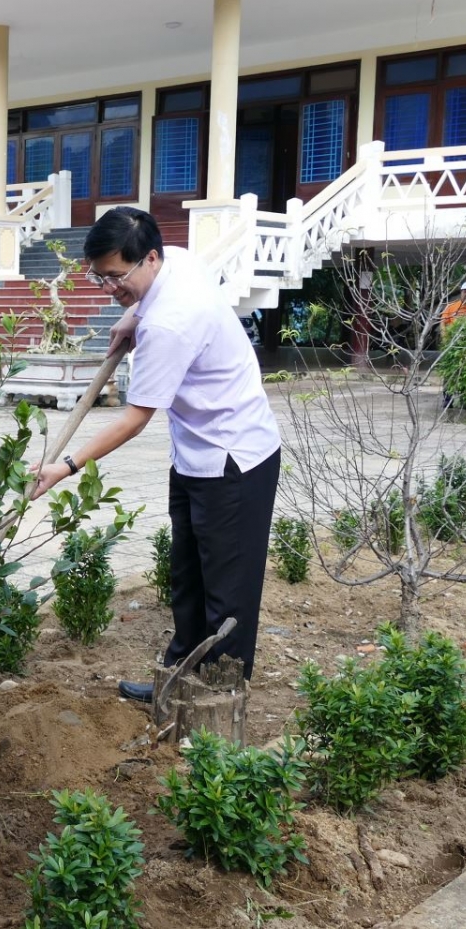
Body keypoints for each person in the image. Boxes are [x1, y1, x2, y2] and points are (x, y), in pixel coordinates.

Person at [32, 206, 281, 702]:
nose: (109, 288)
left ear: (149, 258)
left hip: (235, 459)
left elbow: (133, 419)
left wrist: (66, 466)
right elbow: (148, 298)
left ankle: (218, 698)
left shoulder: (170, 325)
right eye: (100, 277)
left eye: (117, 278)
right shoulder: (178, 262)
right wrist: (131, 312)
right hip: (196, 455)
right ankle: (177, 679)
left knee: (227, 593)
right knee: (188, 578)